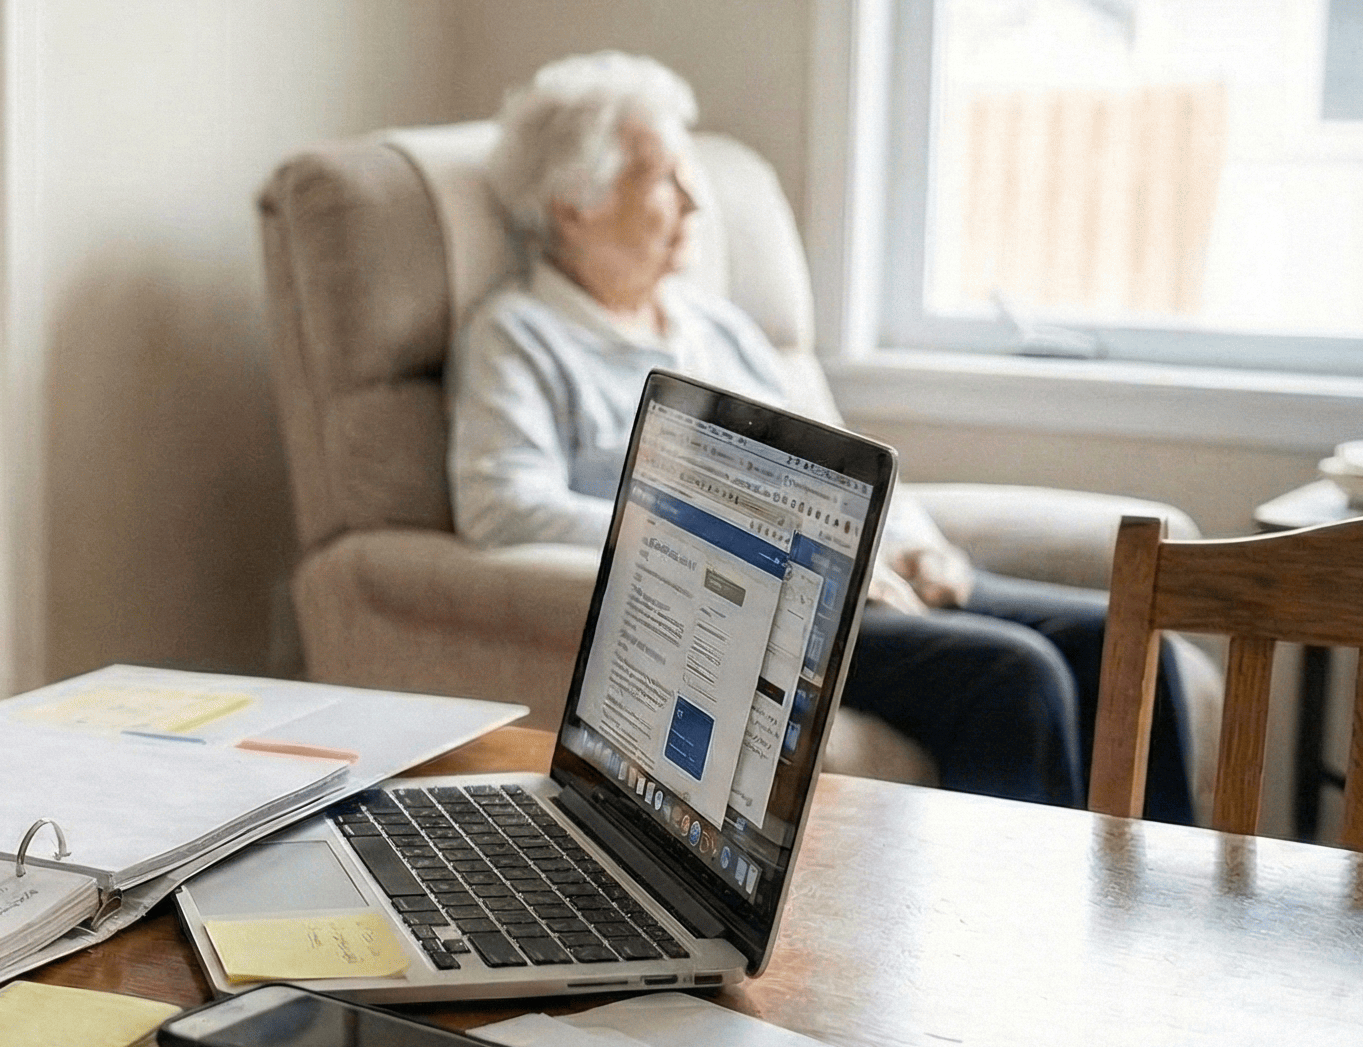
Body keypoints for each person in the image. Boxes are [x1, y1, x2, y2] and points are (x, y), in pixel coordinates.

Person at [449, 51, 1192, 822]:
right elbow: (505, 506)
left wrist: (914, 540)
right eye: (664, 176)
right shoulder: (522, 336)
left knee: (1129, 644)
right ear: (576, 201)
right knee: (1017, 673)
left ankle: (1168, 916)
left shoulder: (714, 325)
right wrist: (761, 545)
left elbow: (842, 458)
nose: (696, 202)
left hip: (857, 578)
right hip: (762, 609)